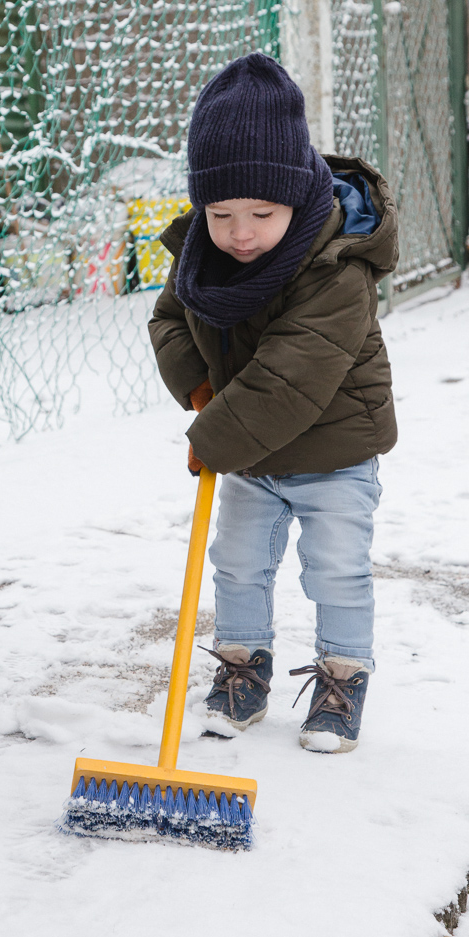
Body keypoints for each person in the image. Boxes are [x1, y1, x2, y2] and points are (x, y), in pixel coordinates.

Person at [148, 52, 398, 752]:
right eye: (221, 212)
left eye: (261, 211)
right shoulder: (206, 252)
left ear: (298, 195)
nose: (240, 232)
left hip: (334, 451)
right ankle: (240, 673)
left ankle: (341, 681)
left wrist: (214, 435)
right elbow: (169, 317)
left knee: (335, 569)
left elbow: (291, 374)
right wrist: (197, 386)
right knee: (238, 562)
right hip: (252, 453)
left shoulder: (338, 267)